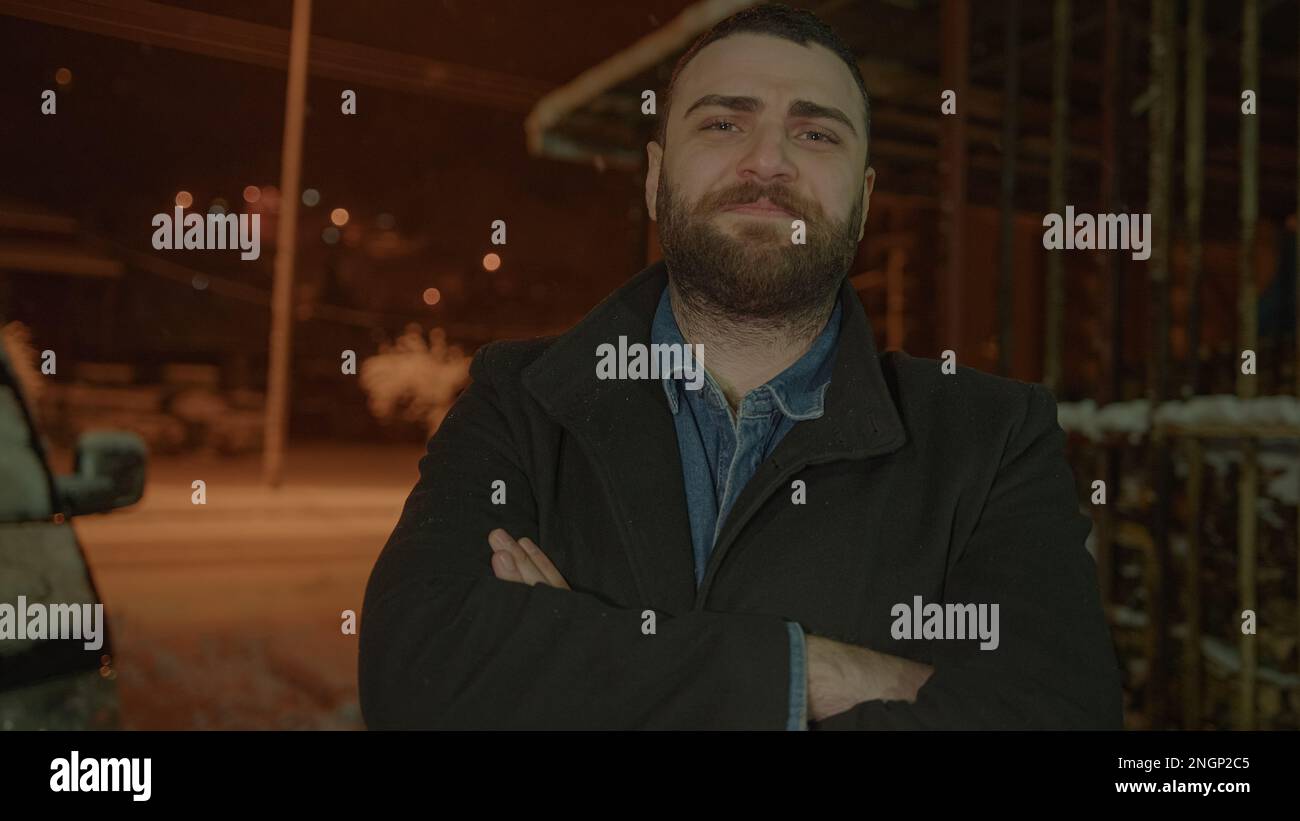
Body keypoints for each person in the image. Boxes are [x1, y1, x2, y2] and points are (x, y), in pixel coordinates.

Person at [358, 3, 1122, 730]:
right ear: (655, 178)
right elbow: (415, 671)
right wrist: (813, 674)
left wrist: (586, 664)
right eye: (724, 123)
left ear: (862, 200)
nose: (767, 161)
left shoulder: (989, 440)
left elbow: (1054, 715)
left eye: (816, 135)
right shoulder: (520, 402)